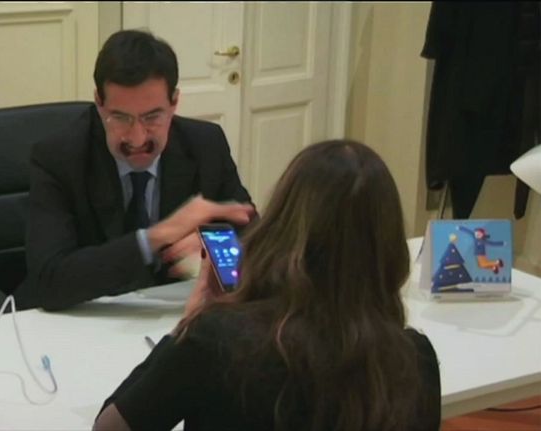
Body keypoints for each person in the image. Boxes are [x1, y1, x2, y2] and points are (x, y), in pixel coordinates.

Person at [94, 140, 442, 431]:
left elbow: (111, 428)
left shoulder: (215, 341)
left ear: (282, 225)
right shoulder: (415, 360)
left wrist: (187, 327)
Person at [19, 29, 255, 311]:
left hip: (175, 314)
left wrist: (214, 245)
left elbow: (257, 237)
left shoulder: (206, 145)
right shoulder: (59, 158)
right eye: (120, 117)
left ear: (174, 102)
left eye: (152, 117)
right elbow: (48, 282)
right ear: (99, 104)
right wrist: (158, 236)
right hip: (88, 317)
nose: (137, 138)